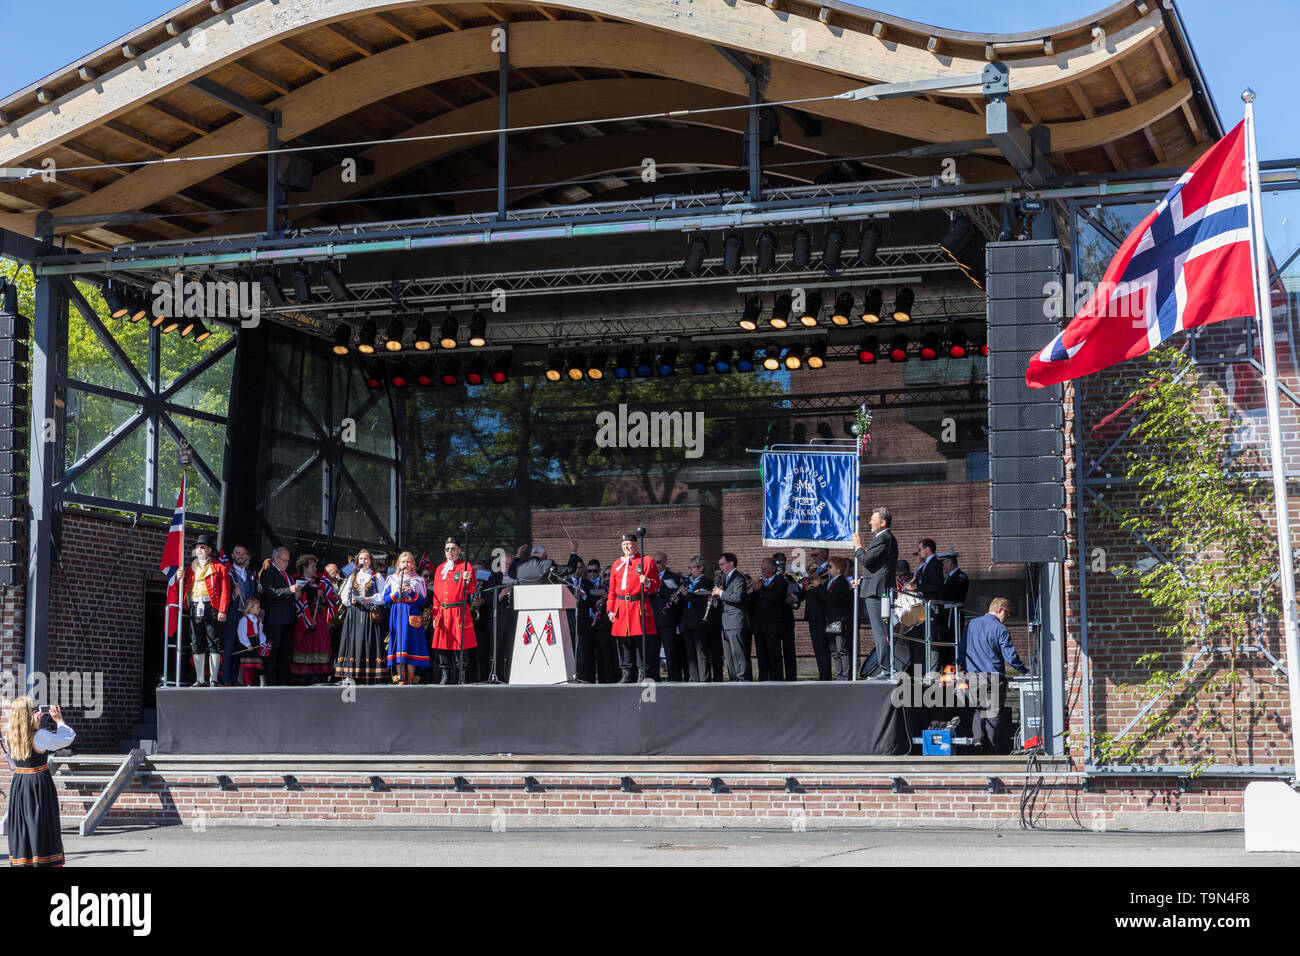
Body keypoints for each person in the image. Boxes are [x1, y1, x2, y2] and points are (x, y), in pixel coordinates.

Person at [5, 699, 75, 866]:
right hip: (38, 783)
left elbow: (12, 764)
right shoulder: (40, 736)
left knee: (22, 823)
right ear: (29, 714)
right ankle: (42, 860)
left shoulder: (9, 735)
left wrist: (35, 726)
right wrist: (59, 720)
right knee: (40, 822)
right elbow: (67, 738)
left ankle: (24, 860)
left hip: (20, 783)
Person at [960, 597, 1028, 754]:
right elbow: (1010, 657)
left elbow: (962, 648)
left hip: (974, 676)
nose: (1008, 618)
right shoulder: (1000, 629)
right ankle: (991, 748)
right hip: (994, 677)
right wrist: (1024, 671)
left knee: (977, 710)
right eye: (1008, 614)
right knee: (993, 713)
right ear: (1001, 609)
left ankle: (978, 742)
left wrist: (963, 667)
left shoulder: (971, 625)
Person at [853, 507, 900, 676]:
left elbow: (866, 560)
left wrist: (858, 547)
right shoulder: (885, 539)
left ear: (883, 522)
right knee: (881, 631)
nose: (870, 522)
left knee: (880, 631)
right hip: (875, 588)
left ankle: (886, 668)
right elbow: (877, 567)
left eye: (873, 519)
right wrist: (863, 579)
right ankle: (886, 667)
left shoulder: (884, 538)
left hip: (877, 592)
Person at [608, 533, 660, 682]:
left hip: (638, 606)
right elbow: (612, 589)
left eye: (629, 544)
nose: (626, 547)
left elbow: (656, 584)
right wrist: (610, 610)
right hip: (621, 607)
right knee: (623, 642)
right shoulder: (617, 564)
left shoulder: (647, 561)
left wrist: (648, 582)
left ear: (636, 544)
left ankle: (642, 673)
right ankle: (626, 673)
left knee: (639, 642)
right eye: (624, 544)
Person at [182, 534, 231, 687]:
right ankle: (199, 679)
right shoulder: (190, 568)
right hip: (195, 606)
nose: (199, 549)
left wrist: (222, 610)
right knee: (196, 642)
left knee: (213, 643)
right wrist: (179, 577)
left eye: (202, 547)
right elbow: (183, 588)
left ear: (210, 550)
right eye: (197, 547)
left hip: (212, 608)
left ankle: (214, 679)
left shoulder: (220, 568)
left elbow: (225, 591)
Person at [430, 537, 478, 684]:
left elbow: (471, 590)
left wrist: (468, 579)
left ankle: (461, 676)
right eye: (447, 549)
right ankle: (445, 675)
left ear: (459, 550)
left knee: (460, 645)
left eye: (453, 549)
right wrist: (435, 614)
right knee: (442, 644)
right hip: (443, 613)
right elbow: (436, 595)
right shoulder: (439, 569)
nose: (449, 551)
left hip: (458, 611)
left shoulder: (465, 566)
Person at [337, 549, 389, 685]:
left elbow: (383, 596)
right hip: (354, 612)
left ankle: (370, 673)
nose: (363, 561)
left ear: (371, 561)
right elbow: (344, 595)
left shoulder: (376, 576)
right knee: (353, 640)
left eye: (366, 559)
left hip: (369, 612)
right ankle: (352, 673)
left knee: (369, 640)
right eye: (361, 559)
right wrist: (350, 600)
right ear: (357, 561)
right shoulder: (353, 575)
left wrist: (370, 598)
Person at [381, 551, 429, 684]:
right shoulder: (392, 578)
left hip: (411, 613)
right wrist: (397, 593)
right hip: (397, 613)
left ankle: (411, 676)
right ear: (398, 564)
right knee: (398, 644)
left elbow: (423, 601)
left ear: (412, 564)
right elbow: (385, 599)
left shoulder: (418, 580)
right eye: (403, 562)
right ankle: (400, 676)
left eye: (408, 562)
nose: (406, 564)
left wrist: (411, 592)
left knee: (410, 644)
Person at [259, 547, 304, 686]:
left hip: (288, 618)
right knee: (274, 651)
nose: (286, 563)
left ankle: (283, 680)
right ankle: (272, 681)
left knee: (286, 651)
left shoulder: (287, 575)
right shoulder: (268, 573)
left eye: (288, 561)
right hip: (275, 619)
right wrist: (288, 590)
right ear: (276, 559)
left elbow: (288, 593)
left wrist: (296, 593)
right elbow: (270, 592)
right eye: (284, 560)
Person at [806, 556, 854, 679]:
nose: (828, 569)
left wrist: (818, 586)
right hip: (830, 620)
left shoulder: (842, 583)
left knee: (841, 649)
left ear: (838, 569)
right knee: (834, 650)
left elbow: (830, 599)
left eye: (830, 566)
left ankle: (845, 675)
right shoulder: (830, 582)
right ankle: (839, 675)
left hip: (839, 619)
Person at [290, 554, 334, 684]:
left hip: (318, 617)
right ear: (304, 567)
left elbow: (328, 600)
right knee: (304, 645)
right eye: (312, 566)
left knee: (319, 644)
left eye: (316, 566)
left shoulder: (320, 581)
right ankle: (303, 673)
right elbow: (298, 600)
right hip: (304, 618)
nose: (315, 569)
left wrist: (323, 595)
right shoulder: (297, 580)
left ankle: (319, 672)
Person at [220, 544, 258, 686]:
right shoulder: (227, 573)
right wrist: (233, 595)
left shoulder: (250, 575)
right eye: (237, 553)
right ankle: (226, 679)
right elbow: (222, 593)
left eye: (243, 553)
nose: (240, 555)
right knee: (229, 647)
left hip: (245, 617)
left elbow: (253, 594)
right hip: (232, 615)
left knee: (239, 648)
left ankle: (235, 678)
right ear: (233, 556)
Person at [711, 552, 751, 681]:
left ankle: (742, 678)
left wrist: (721, 593)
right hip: (725, 622)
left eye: (722, 564)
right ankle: (733, 678)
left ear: (731, 563)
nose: (720, 567)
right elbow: (725, 599)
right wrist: (715, 600)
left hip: (735, 621)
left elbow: (737, 597)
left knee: (737, 652)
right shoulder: (726, 579)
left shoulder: (738, 578)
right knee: (728, 654)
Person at [752, 557, 791, 681]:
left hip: (773, 626)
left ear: (773, 569)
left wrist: (761, 589)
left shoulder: (781, 582)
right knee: (761, 657)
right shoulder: (761, 582)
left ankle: (776, 681)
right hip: (759, 626)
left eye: (765, 568)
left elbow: (776, 598)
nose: (762, 570)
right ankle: (763, 680)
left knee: (774, 657)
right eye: (761, 568)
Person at [679, 556, 717, 682]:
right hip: (687, 622)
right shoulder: (688, 582)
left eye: (693, 567)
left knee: (701, 653)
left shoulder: (707, 582)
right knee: (690, 655)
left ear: (701, 568)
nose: (690, 570)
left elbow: (702, 601)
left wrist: (687, 594)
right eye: (689, 567)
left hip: (699, 623)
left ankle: (704, 679)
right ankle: (693, 679)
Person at [797, 547, 833, 680]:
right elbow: (805, 590)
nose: (813, 557)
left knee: (823, 647)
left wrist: (814, 580)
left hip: (822, 613)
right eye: (812, 555)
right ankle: (822, 674)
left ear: (824, 554)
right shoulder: (811, 571)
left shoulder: (829, 570)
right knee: (817, 647)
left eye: (816, 554)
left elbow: (826, 592)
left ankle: (826, 676)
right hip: (812, 614)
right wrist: (797, 593)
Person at [649, 552, 685, 682]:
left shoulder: (673, 577)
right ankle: (654, 677)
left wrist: (659, 590)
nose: (655, 565)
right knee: (653, 650)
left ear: (665, 562)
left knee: (670, 650)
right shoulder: (649, 577)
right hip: (652, 619)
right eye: (654, 563)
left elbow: (676, 595)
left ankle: (673, 677)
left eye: (658, 562)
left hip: (667, 619)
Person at [235, 596, 268, 686]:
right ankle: (247, 682)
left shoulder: (258, 620)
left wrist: (262, 642)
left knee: (254, 664)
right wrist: (247, 644)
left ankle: (252, 682)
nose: (259, 609)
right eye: (257, 607)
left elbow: (260, 632)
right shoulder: (244, 620)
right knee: (247, 664)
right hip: (248, 643)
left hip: (256, 642)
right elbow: (241, 633)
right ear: (250, 609)